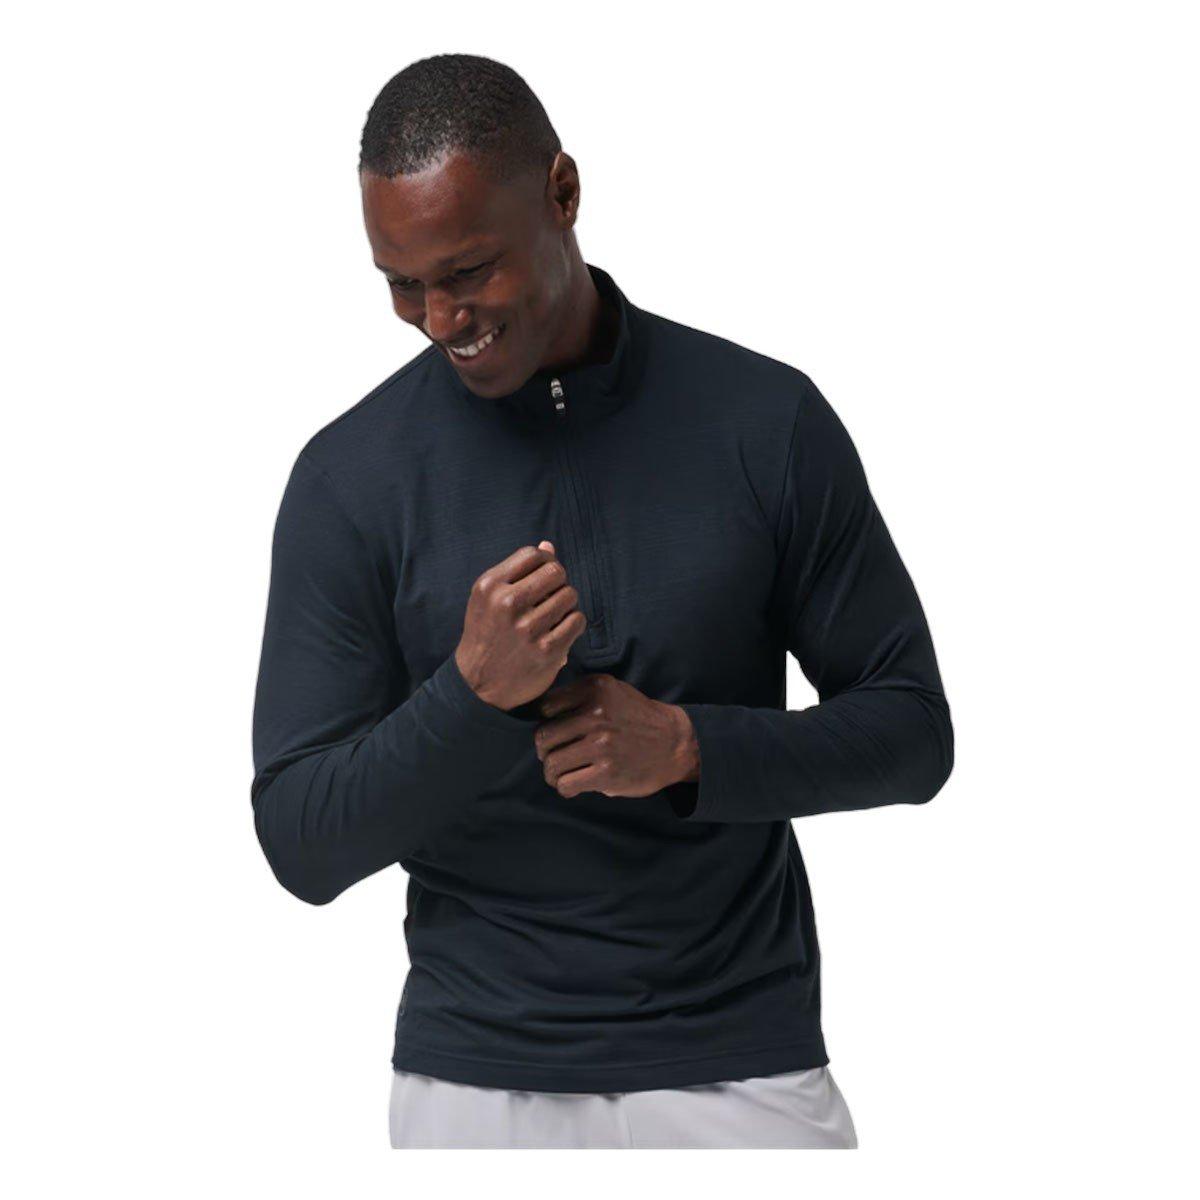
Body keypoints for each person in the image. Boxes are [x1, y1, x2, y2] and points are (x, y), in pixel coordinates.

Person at [250, 53, 953, 1150]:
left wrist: (689, 749)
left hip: (743, 1065)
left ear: (563, 194)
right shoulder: (352, 479)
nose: (439, 318)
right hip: (472, 1085)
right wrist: (472, 697)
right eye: (401, 284)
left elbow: (913, 734)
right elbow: (301, 841)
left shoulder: (763, 423)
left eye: (468, 270)